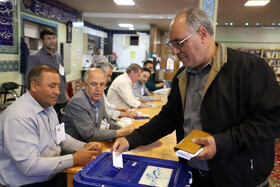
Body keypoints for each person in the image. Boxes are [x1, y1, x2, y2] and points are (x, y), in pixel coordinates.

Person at [112, 8, 280, 187]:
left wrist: (221, 143)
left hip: (240, 179)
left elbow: (271, 121)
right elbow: (168, 118)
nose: (175, 51)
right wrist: (132, 139)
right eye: (172, 45)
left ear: (202, 34)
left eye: (179, 43)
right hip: (194, 175)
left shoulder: (250, 68)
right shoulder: (182, 76)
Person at [0, 65, 102, 187]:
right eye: (52, 86)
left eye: (58, 86)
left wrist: (84, 146)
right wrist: (74, 159)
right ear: (34, 86)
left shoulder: (48, 107)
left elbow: (60, 137)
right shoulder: (19, 117)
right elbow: (30, 167)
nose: (58, 92)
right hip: (28, 183)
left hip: (50, 174)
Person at [62, 68, 135, 142]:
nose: (99, 89)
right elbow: (90, 134)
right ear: (84, 85)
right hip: (79, 147)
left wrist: (123, 130)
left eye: (102, 84)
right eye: (94, 84)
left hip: (93, 142)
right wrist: (119, 132)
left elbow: (107, 120)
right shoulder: (77, 102)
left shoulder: (99, 98)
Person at [25, 28, 69, 113]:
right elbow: (29, 80)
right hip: (46, 99)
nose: (52, 41)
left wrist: (66, 94)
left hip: (62, 97)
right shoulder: (34, 57)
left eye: (53, 37)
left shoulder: (58, 56)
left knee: (62, 124)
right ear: (42, 41)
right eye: (48, 38)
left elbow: (62, 76)